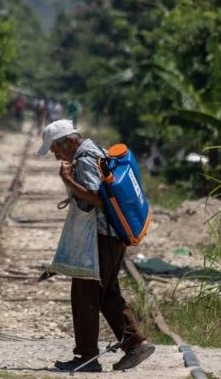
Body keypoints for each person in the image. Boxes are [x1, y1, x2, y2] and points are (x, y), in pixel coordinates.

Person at [36, 119, 156, 373]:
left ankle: (87, 357)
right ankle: (135, 344)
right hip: (111, 237)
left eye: (56, 149)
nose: (56, 156)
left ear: (69, 141)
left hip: (101, 238)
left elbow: (96, 199)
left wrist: (68, 180)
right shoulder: (97, 152)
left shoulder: (85, 159)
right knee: (106, 294)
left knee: (85, 295)